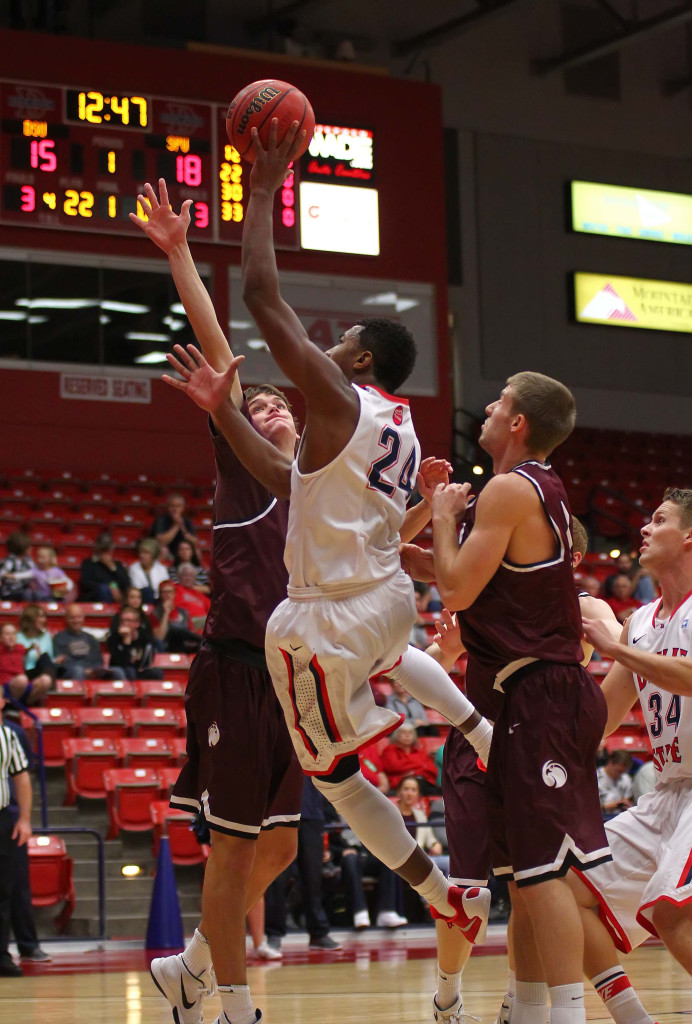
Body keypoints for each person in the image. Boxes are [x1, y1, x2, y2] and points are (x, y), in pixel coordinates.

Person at [159, 119, 494, 971]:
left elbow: (264, 301)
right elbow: (282, 472)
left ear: (359, 355)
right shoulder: (390, 432)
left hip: (321, 626)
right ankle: (480, 732)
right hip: (365, 616)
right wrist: (225, 405)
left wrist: (265, 185)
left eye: (341, 343)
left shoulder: (339, 407)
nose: (324, 351)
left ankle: (442, 888)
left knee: (334, 782)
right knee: (278, 816)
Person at [132, 177, 304, 1024]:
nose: (265, 404)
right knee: (234, 847)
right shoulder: (245, 459)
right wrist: (180, 254)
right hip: (236, 668)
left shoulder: (314, 489)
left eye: (279, 401)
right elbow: (215, 340)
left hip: (292, 682)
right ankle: (232, 1004)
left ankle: (196, 959)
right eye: (256, 399)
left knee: (281, 842)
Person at [430, 372, 611, 1024]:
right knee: (527, 880)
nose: (487, 405)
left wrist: (445, 516)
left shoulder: (508, 488)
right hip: (527, 697)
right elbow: (467, 579)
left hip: (542, 693)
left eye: (501, 399)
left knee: (544, 876)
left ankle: (567, 1014)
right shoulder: (534, 491)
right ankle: (531, 1010)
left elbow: (454, 590)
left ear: (519, 424)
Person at [567, 488, 692, 991]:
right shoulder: (640, 621)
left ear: (688, 537)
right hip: (666, 793)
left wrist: (611, 647)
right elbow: (603, 717)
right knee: (563, 886)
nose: (644, 527)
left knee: (673, 917)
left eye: (658, 520)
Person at [0, 690, 32, 976]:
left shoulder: (8, 736)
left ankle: (1, 956)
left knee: (3, 892)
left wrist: (24, 818)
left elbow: (21, 778)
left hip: (2, 819)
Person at [52, 604, 126, 681]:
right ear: (66, 619)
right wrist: (84, 670)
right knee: (78, 671)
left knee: (118, 671)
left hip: (92, 670)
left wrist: (93, 670)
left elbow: (98, 661)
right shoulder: (58, 639)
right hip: (71, 672)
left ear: (83, 618)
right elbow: (61, 663)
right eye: (72, 618)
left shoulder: (91, 639)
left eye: (78, 617)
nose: (76, 621)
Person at [106, 606, 164, 681]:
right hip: (121, 670)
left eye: (128, 620)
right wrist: (126, 641)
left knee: (157, 672)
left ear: (137, 623)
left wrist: (141, 666)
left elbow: (148, 659)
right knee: (129, 670)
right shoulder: (114, 638)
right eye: (122, 620)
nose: (125, 623)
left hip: (139, 670)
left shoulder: (145, 638)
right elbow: (117, 662)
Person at [380, 723, 439, 794]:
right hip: (400, 783)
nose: (407, 735)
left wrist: (413, 771)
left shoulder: (419, 752)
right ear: (397, 735)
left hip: (423, 782)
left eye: (410, 733)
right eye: (403, 732)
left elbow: (433, 770)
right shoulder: (389, 750)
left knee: (443, 793)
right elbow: (394, 766)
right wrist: (420, 766)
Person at [0, 623, 51, 706]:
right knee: (22, 679)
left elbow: (26, 650)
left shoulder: (20, 648)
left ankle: (25, 704)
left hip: (23, 684)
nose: (11, 637)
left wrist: (33, 648)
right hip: (5, 686)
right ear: (1, 637)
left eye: (13, 634)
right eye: (7, 634)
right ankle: (11, 706)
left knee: (46, 680)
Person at [151, 579, 203, 654]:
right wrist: (166, 613)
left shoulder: (183, 612)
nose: (168, 595)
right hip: (166, 645)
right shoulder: (155, 612)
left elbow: (190, 633)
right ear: (160, 594)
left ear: (174, 593)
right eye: (164, 592)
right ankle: (202, 639)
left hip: (184, 645)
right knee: (174, 630)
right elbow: (159, 638)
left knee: (202, 646)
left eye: (170, 592)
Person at [78, 533, 130, 604]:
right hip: (95, 596)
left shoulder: (117, 565)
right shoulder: (88, 563)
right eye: (103, 550)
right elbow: (86, 583)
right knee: (104, 589)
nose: (105, 553)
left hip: (119, 597)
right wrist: (110, 587)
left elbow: (126, 584)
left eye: (107, 550)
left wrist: (113, 568)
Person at [16, 604, 56, 687]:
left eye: (44, 617)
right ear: (30, 619)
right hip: (25, 671)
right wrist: (28, 651)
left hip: (43, 671)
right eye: (40, 617)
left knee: (45, 658)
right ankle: (51, 690)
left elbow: (49, 659)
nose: (44, 620)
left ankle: (50, 690)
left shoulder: (46, 636)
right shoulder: (18, 637)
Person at [152, 493, 199, 563]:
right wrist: (176, 526)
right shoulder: (162, 520)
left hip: (180, 549)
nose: (175, 509)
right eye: (172, 506)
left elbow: (194, 541)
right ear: (168, 507)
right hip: (168, 550)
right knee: (163, 550)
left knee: (196, 550)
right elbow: (162, 541)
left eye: (178, 506)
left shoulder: (186, 521)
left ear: (183, 507)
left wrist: (183, 528)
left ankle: (198, 571)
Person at [128, 538, 169, 604]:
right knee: (148, 591)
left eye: (146, 553)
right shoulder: (134, 568)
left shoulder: (162, 569)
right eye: (141, 552)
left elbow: (165, 586)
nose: (142, 556)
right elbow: (137, 587)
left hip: (159, 600)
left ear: (153, 555)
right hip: (141, 599)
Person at [0, 531, 37, 601]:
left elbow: (35, 572)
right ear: (22, 547)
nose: (31, 548)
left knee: (38, 594)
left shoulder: (29, 561)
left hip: (27, 589)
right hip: (10, 592)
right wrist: (15, 577)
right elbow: (2, 576)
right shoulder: (9, 561)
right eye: (29, 546)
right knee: (26, 594)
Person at [597, 750, 634, 818]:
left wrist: (625, 804)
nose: (620, 774)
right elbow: (587, 806)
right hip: (600, 817)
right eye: (618, 771)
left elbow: (626, 799)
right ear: (610, 763)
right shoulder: (596, 778)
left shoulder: (625, 778)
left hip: (619, 817)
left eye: (623, 772)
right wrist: (606, 807)